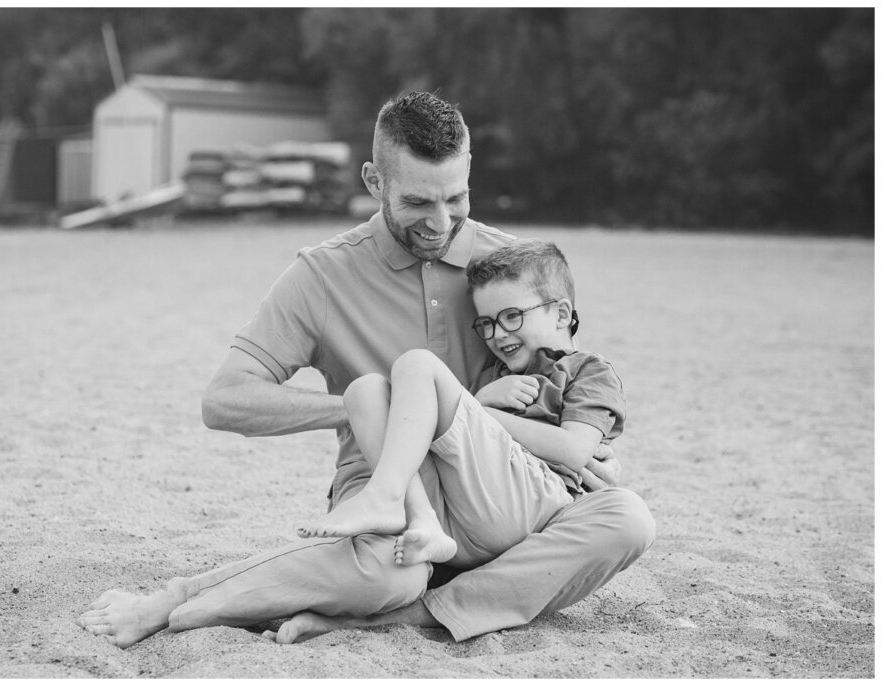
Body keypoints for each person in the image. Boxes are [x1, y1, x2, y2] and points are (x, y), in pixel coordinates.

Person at [77, 91, 654, 648]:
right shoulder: (322, 275)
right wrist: (371, 407)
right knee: (389, 574)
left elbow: (567, 377)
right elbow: (225, 400)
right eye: (418, 203)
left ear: (470, 171)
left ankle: (409, 616)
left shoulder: (508, 268)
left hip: (494, 482)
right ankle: (178, 600)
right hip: (384, 484)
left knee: (627, 518)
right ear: (374, 182)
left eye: (456, 198)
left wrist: (588, 443)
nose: (441, 220)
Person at [296, 240, 627, 581]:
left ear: (560, 313)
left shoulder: (589, 370)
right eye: (486, 323)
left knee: (417, 364)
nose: (498, 334)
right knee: (363, 392)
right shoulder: (494, 376)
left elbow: (573, 451)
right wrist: (480, 399)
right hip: (459, 522)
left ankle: (384, 496)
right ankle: (415, 513)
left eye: (512, 317)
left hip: (535, 507)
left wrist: (483, 410)